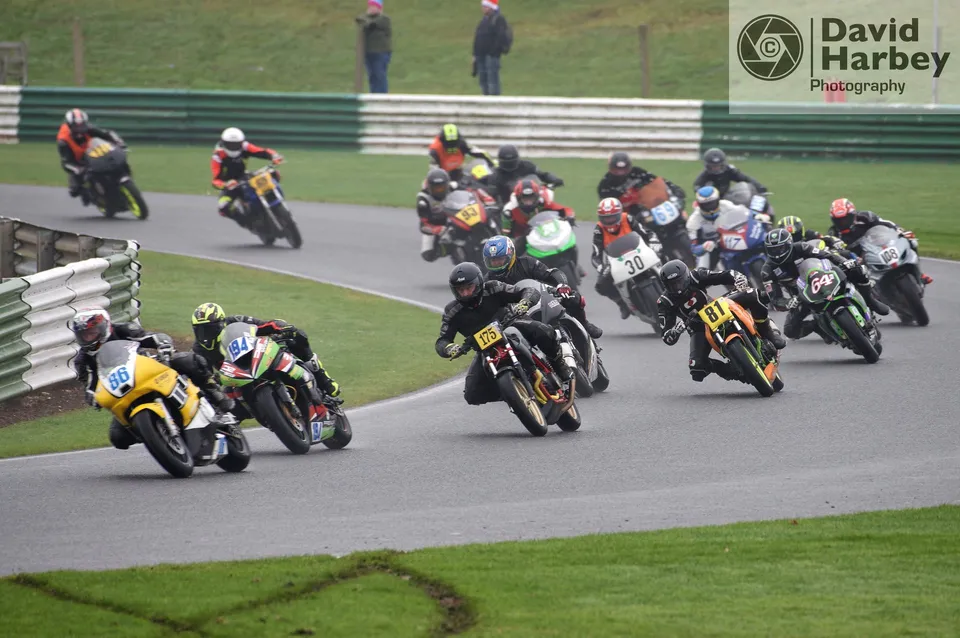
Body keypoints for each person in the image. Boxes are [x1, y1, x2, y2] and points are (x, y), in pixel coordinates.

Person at [69, 307, 234, 450]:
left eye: (92, 332)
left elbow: (150, 337)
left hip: (149, 371)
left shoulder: (123, 330)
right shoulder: (83, 361)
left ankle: (215, 394)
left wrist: (162, 344)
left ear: (104, 326)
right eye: (84, 335)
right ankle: (157, 435)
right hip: (123, 392)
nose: (88, 338)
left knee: (189, 360)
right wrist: (92, 397)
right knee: (118, 438)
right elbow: (90, 385)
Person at [436, 262, 572, 405]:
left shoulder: (493, 287)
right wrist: (450, 348)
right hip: (484, 349)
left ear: (479, 283)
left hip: (511, 325)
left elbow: (528, 291)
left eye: (469, 288)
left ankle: (559, 364)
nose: (465, 293)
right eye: (460, 290)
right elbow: (442, 341)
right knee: (472, 395)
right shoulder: (452, 311)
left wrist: (525, 302)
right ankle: (512, 392)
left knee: (544, 331)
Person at [657, 261, 786, 383]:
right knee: (697, 368)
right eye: (672, 285)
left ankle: (768, 332)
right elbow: (666, 336)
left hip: (718, 306)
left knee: (753, 294)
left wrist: (738, 278)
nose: (678, 288)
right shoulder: (664, 302)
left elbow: (723, 275)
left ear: (686, 276)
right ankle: (738, 372)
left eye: (679, 282)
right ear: (665, 286)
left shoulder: (696, 276)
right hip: (698, 326)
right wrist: (675, 331)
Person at [190, 302, 341, 401]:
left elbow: (262, 325)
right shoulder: (198, 350)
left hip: (259, 355)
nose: (206, 335)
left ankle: (324, 380)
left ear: (222, 323)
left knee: (297, 338)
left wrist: (279, 326)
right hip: (237, 379)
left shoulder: (235, 321)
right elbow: (205, 375)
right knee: (221, 403)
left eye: (210, 329)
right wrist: (212, 381)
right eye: (201, 331)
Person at [760, 228, 890, 342]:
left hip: (826, 277)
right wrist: (788, 302)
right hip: (802, 296)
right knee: (790, 331)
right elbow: (775, 298)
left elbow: (826, 255)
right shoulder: (767, 270)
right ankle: (818, 326)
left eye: (780, 248)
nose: (776, 253)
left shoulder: (801, 247)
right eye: (772, 250)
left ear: (789, 244)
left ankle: (870, 300)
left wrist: (844, 262)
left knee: (857, 269)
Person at [483, 235, 604, 339]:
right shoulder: (487, 281)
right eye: (493, 261)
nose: (497, 264)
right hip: (512, 313)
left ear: (511, 255)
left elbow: (552, 273)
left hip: (539, 297)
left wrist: (562, 285)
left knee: (573, 296)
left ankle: (584, 324)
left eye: (500, 259)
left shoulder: (526, 263)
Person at [827, 198, 934, 285]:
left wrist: (898, 230)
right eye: (838, 220)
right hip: (862, 259)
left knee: (911, 240)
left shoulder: (864, 217)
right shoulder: (835, 234)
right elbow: (839, 253)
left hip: (879, 244)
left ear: (853, 214)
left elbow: (884, 223)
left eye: (845, 218)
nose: (842, 222)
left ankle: (919, 274)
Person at [591, 198, 661, 320]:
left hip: (639, 251)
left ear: (619, 214)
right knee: (601, 285)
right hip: (616, 261)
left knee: (661, 254)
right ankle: (622, 303)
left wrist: (654, 242)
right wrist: (601, 267)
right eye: (606, 218)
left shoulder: (627, 218)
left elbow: (647, 232)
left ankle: (673, 280)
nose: (609, 221)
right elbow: (595, 255)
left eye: (612, 217)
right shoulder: (599, 229)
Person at [210, 127, 283, 230]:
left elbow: (262, 151)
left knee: (273, 174)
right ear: (224, 143)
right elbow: (215, 180)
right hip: (229, 186)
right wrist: (225, 184)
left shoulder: (245, 146)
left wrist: (274, 156)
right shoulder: (218, 156)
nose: (233, 147)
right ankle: (247, 223)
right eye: (230, 144)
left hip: (244, 178)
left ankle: (277, 203)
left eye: (236, 144)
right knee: (223, 206)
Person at [57, 108, 125, 206]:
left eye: (82, 125)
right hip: (78, 161)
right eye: (76, 126)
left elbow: (107, 134)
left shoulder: (89, 129)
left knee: (116, 162)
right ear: (69, 125)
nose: (79, 129)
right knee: (74, 190)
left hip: (95, 154)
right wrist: (78, 169)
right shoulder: (63, 141)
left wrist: (118, 142)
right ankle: (90, 195)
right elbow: (66, 163)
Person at [686, 186, 763, 268]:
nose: (710, 208)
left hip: (730, 239)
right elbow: (694, 249)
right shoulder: (693, 221)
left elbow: (743, 213)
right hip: (710, 247)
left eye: (712, 203)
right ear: (699, 204)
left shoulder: (725, 205)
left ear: (718, 200)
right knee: (702, 271)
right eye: (706, 205)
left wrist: (756, 216)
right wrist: (704, 247)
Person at [501, 177, 576, 254]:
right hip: (523, 241)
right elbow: (506, 237)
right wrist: (519, 240)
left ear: (536, 196)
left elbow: (565, 209)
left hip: (543, 234)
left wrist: (570, 216)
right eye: (525, 198)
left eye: (531, 198)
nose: (528, 202)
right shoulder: (509, 211)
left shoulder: (542, 202)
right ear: (518, 198)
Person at [597, 151, 687, 215]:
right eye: (617, 170)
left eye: (624, 169)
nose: (621, 173)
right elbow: (608, 211)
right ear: (610, 168)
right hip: (628, 218)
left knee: (682, 215)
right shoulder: (605, 185)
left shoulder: (637, 172)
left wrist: (673, 188)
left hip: (651, 209)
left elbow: (656, 180)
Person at [489, 144, 563, 205]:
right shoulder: (496, 175)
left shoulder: (527, 166)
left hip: (532, 198)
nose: (509, 165)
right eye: (507, 163)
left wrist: (554, 179)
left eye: (511, 162)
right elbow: (488, 187)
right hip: (510, 205)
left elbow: (542, 175)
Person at [416, 168, 460, 262]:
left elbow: (469, 194)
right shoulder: (423, 200)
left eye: (442, 187)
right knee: (428, 255)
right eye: (436, 188)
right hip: (436, 223)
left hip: (456, 217)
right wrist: (437, 229)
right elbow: (423, 225)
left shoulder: (454, 187)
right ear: (429, 187)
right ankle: (449, 249)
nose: (439, 190)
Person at [427, 124, 494, 183]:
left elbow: (479, 152)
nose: (451, 145)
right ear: (442, 140)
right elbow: (434, 170)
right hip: (443, 175)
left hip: (459, 172)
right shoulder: (435, 149)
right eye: (449, 143)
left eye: (454, 143)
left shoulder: (462, 143)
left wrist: (492, 164)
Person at [692, 148, 767, 199]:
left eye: (718, 166)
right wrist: (703, 194)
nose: (716, 168)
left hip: (727, 199)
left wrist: (760, 187)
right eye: (713, 166)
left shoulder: (729, 171)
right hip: (710, 201)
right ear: (708, 166)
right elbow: (697, 186)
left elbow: (745, 179)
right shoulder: (705, 175)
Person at [472, 0, 512, 96]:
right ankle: (485, 99)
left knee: (492, 81)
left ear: (491, 7)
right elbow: (478, 38)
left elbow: (500, 37)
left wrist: (493, 51)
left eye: (485, 6)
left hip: (491, 56)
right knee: (483, 80)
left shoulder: (498, 19)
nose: (483, 8)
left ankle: (495, 102)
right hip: (480, 55)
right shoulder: (483, 21)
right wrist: (474, 54)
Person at [356, 0, 392, 93]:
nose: (371, 9)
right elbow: (358, 18)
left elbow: (371, 24)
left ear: (379, 8)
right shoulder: (367, 17)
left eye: (374, 6)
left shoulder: (384, 19)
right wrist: (365, 18)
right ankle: (374, 94)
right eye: (370, 6)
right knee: (372, 75)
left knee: (379, 75)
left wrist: (365, 19)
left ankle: (382, 95)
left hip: (381, 52)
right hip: (369, 52)